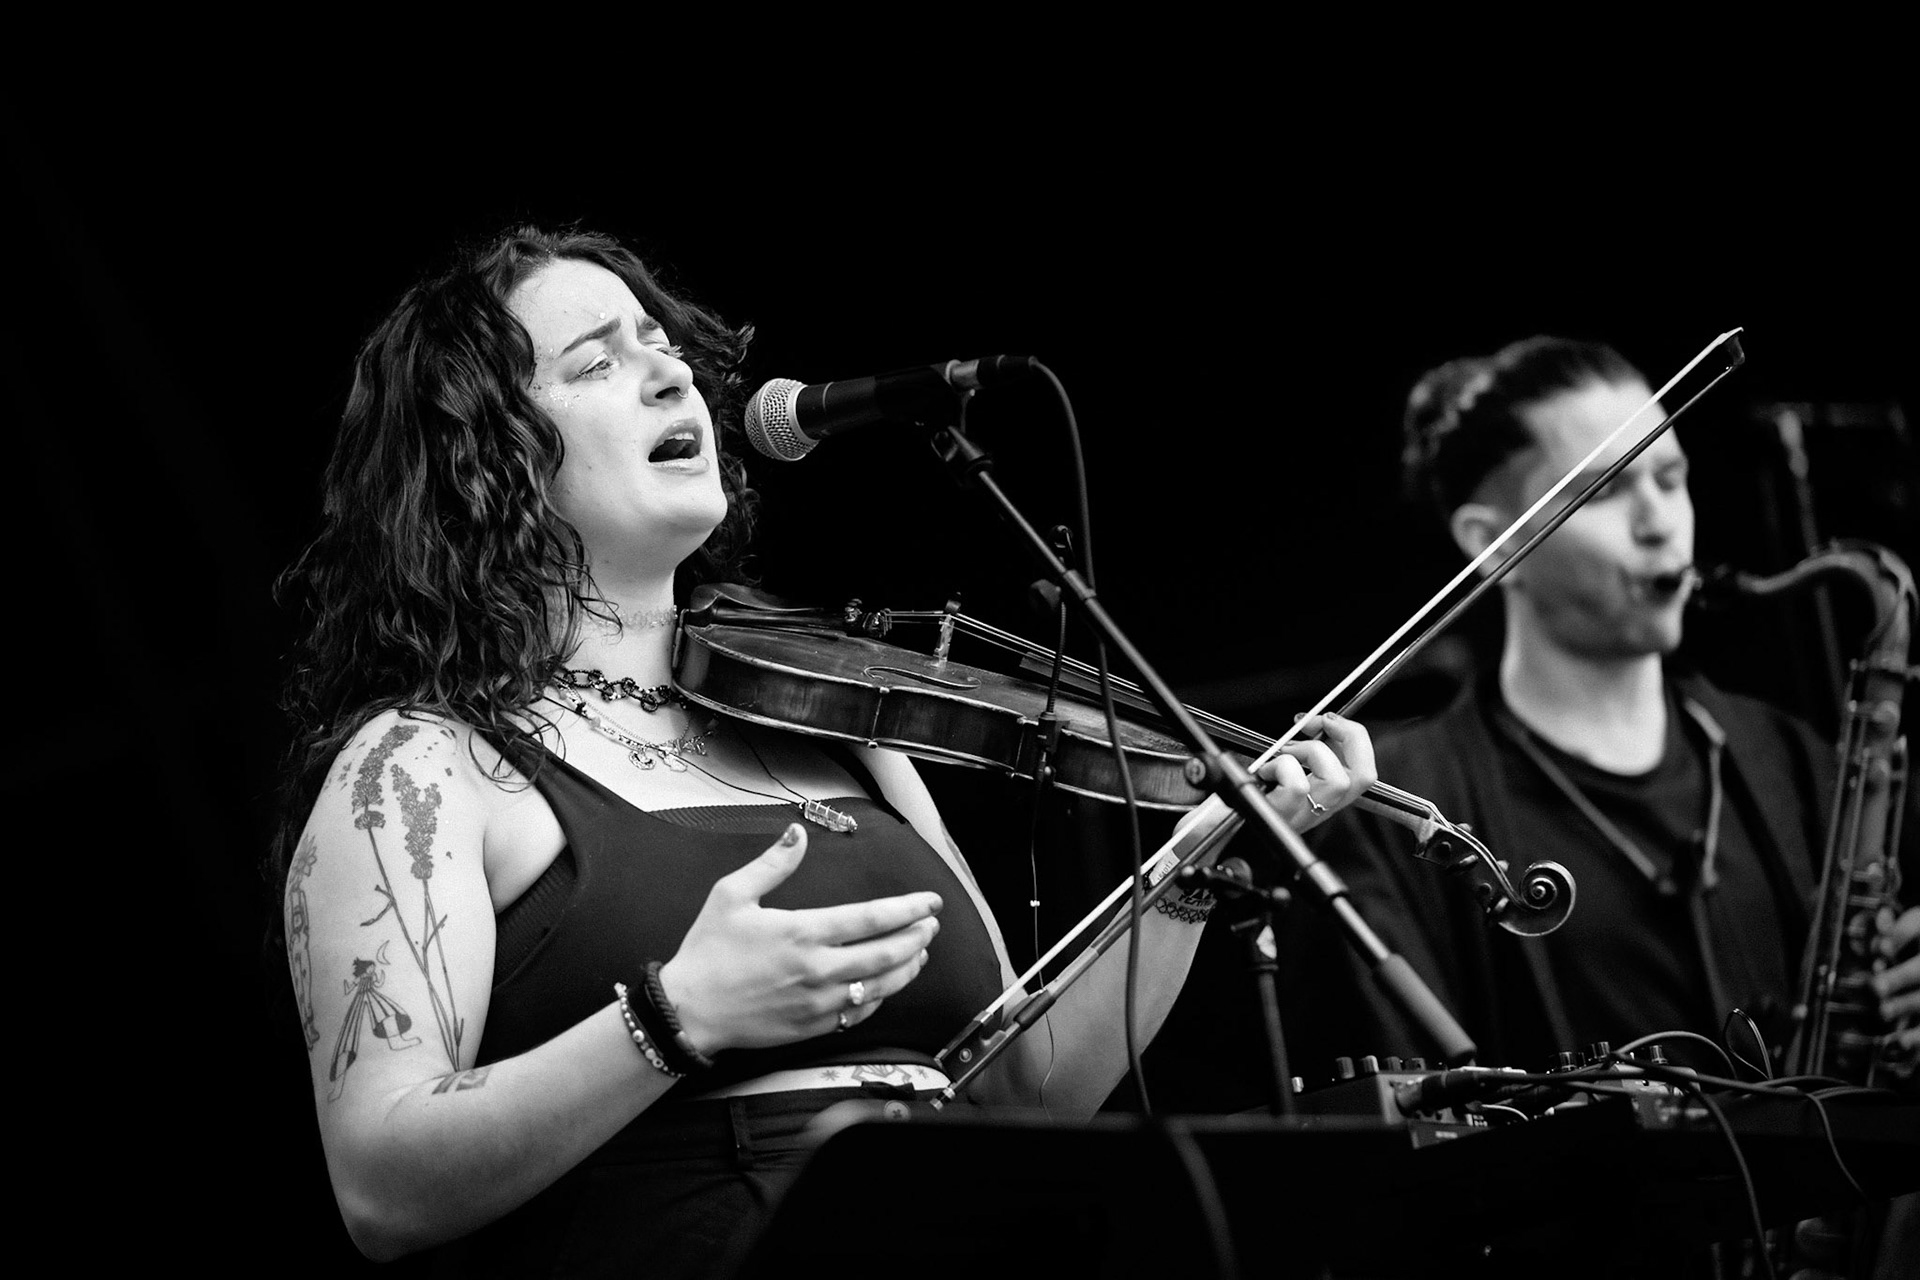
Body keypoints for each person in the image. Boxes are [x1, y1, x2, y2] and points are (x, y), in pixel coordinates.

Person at [268, 223, 1380, 1279]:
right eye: (597, 363)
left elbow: (1021, 1092)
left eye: (667, 349)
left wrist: (1182, 875)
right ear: (482, 455)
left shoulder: (843, 724)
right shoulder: (422, 767)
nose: (673, 379)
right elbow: (382, 1183)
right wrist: (673, 1016)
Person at [1282, 334, 1918, 1272]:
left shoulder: (1791, 757)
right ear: (1493, 545)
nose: (1663, 522)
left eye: (1672, 476)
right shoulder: (1398, 811)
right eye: (1612, 491)